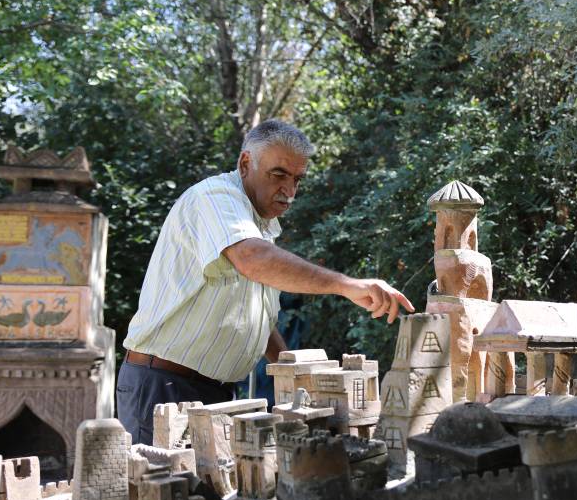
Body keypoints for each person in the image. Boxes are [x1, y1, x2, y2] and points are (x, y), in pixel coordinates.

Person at [117, 119, 414, 444]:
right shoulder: (215, 198)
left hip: (212, 392)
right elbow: (252, 259)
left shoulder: (260, 227)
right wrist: (346, 285)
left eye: (297, 180)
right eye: (279, 175)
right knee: (163, 489)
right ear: (246, 163)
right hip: (163, 385)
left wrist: (289, 370)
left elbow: (257, 316)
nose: (289, 191)